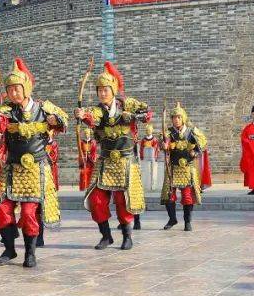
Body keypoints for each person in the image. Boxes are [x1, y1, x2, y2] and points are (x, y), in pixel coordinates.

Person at [0, 58, 66, 268]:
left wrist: (55, 120)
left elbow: (63, 120)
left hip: (36, 168)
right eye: (9, 90)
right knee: (2, 210)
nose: (13, 93)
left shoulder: (44, 108)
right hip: (12, 168)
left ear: (26, 88)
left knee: (29, 212)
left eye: (16, 89)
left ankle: (30, 252)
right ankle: (9, 249)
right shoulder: (6, 110)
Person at [75, 62, 149, 250]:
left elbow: (147, 114)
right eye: (99, 90)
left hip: (125, 161)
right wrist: (82, 115)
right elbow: (92, 118)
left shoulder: (128, 104)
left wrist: (132, 116)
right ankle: (106, 235)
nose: (102, 93)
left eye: (105, 90)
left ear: (113, 90)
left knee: (123, 201)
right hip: (105, 162)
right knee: (96, 199)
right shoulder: (98, 110)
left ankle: (127, 236)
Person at [160, 103, 208, 232]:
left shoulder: (191, 131)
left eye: (179, 117)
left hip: (187, 167)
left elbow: (203, 143)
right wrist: (164, 145)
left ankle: (187, 221)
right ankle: (172, 219)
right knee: (169, 195)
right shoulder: (169, 132)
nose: (176, 120)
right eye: (174, 117)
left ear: (183, 118)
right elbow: (163, 142)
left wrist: (195, 153)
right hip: (173, 167)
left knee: (187, 196)